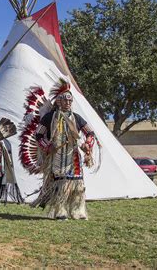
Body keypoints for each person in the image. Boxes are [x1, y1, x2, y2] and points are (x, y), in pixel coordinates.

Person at [33, 79, 96, 220]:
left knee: (78, 184)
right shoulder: (50, 117)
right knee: (60, 184)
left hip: (73, 155)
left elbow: (90, 133)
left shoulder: (77, 118)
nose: (68, 103)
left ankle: (77, 211)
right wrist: (47, 146)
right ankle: (60, 211)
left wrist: (87, 144)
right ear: (59, 101)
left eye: (70, 100)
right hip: (57, 156)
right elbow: (38, 134)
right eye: (65, 100)